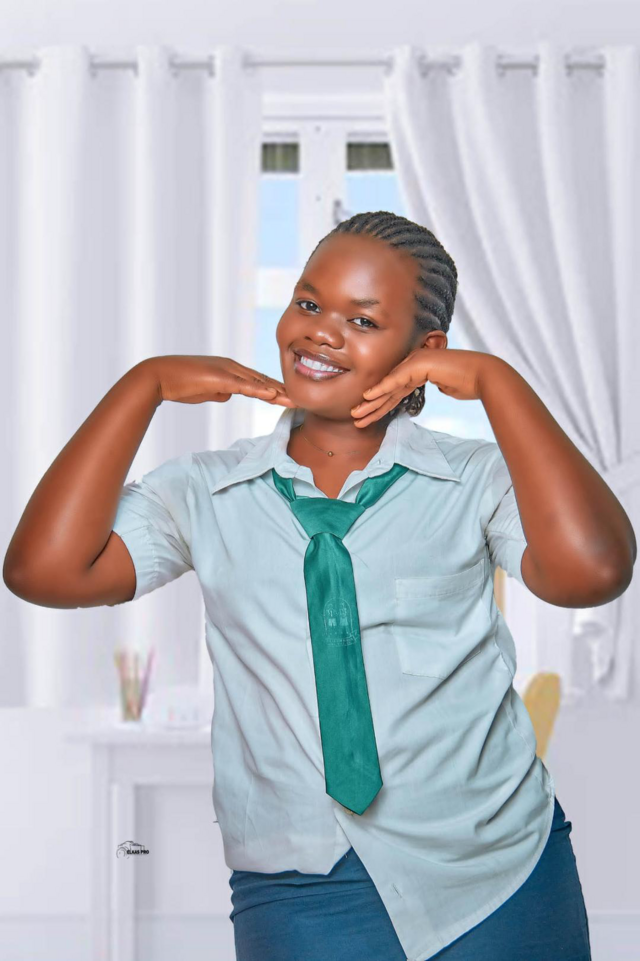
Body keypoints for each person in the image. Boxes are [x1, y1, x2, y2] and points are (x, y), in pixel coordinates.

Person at [5, 211, 635, 960]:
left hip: (497, 869)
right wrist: (143, 387)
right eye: (308, 303)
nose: (322, 332)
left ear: (426, 353)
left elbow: (593, 572)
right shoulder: (204, 491)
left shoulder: (475, 481)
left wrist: (498, 382)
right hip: (299, 885)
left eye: (362, 320)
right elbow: (43, 570)